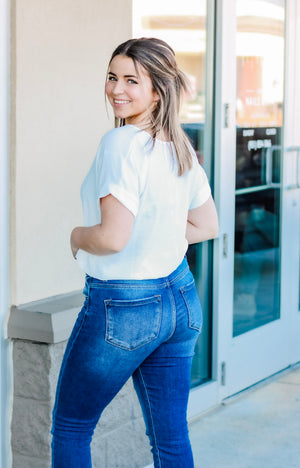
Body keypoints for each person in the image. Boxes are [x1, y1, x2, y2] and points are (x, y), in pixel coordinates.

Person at [51, 37, 219, 468]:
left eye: (131, 80)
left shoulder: (120, 143)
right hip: (180, 299)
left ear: (157, 90)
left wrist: (75, 236)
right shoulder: (178, 146)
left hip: (125, 306)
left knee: (71, 428)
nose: (116, 90)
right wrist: (154, 227)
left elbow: (110, 239)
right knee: (170, 438)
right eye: (111, 77)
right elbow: (206, 226)